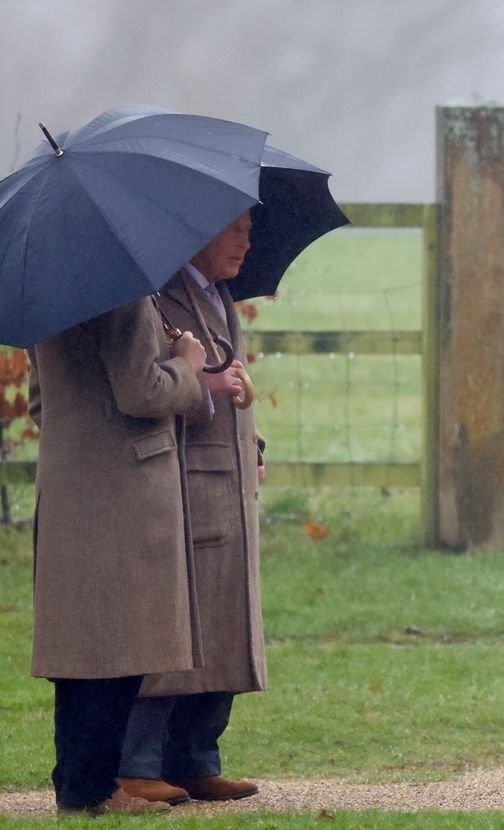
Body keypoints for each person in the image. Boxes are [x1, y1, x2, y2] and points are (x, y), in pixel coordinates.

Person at [28, 300, 208, 815]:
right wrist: (187, 365)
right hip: (122, 487)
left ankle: (77, 783)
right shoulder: (123, 297)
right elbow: (142, 391)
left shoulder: (54, 296)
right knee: (120, 643)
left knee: (80, 647)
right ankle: (95, 789)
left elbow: (41, 405)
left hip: (65, 485)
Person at [115, 210, 267, 805]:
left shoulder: (220, 296)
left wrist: (253, 443)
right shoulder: (160, 297)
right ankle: (142, 763)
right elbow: (159, 385)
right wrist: (208, 386)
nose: (245, 239)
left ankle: (196, 758)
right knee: (175, 637)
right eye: (232, 227)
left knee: (225, 628)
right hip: (182, 485)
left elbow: (232, 381)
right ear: (195, 233)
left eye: (249, 227)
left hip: (227, 483)